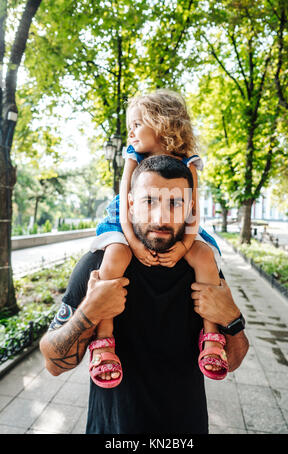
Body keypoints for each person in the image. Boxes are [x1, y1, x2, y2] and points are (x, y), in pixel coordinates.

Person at [40, 155, 249, 435]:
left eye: (175, 203)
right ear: (129, 205)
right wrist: (90, 311)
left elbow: (233, 360)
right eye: (148, 201)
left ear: (190, 209)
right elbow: (53, 364)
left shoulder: (204, 270)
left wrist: (232, 318)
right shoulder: (99, 266)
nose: (161, 216)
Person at [88, 89, 227, 388]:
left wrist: (184, 248)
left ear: (161, 123)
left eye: (137, 124)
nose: (132, 132)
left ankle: (213, 337)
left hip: (180, 220)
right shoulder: (132, 155)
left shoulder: (188, 160)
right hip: (128, 218)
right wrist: (134, 244)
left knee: (205, 257)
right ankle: (103, 340)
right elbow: (126, 202)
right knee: (115, 256)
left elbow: (193, 209)